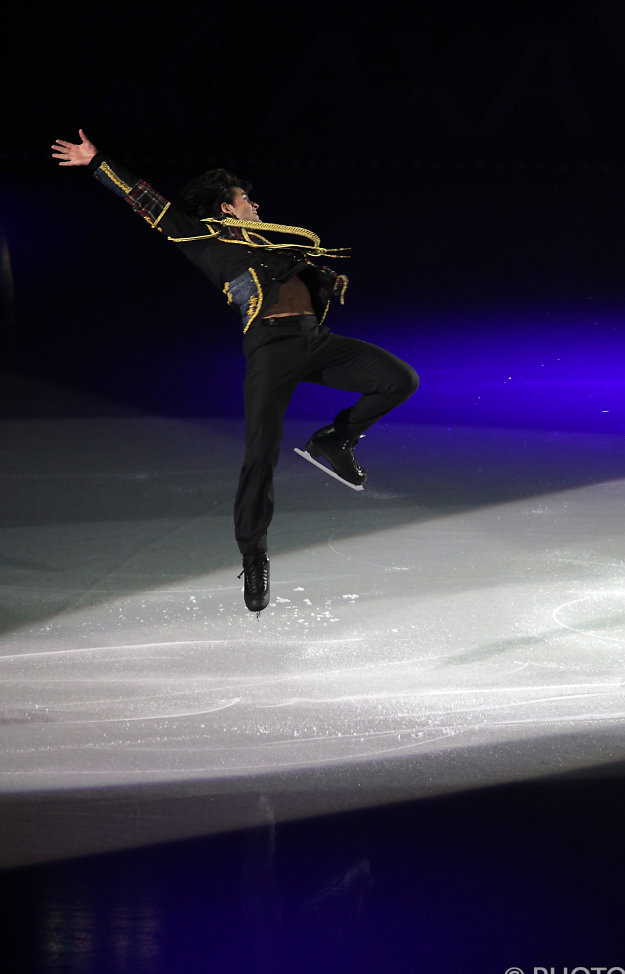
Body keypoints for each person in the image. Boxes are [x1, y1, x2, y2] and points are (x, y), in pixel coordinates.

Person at [52, 130, 419, 614]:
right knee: (260, 453)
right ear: (226, 207)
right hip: (270, 347)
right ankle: (255, 554)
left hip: (316, 341)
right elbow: (151, 205)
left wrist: (326, 279)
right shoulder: (203, 238)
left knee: (399, 379)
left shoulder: (276, 243)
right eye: (246, 198)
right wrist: (99, 161)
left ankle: (336, 439)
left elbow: (304, 278)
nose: (255, 203)